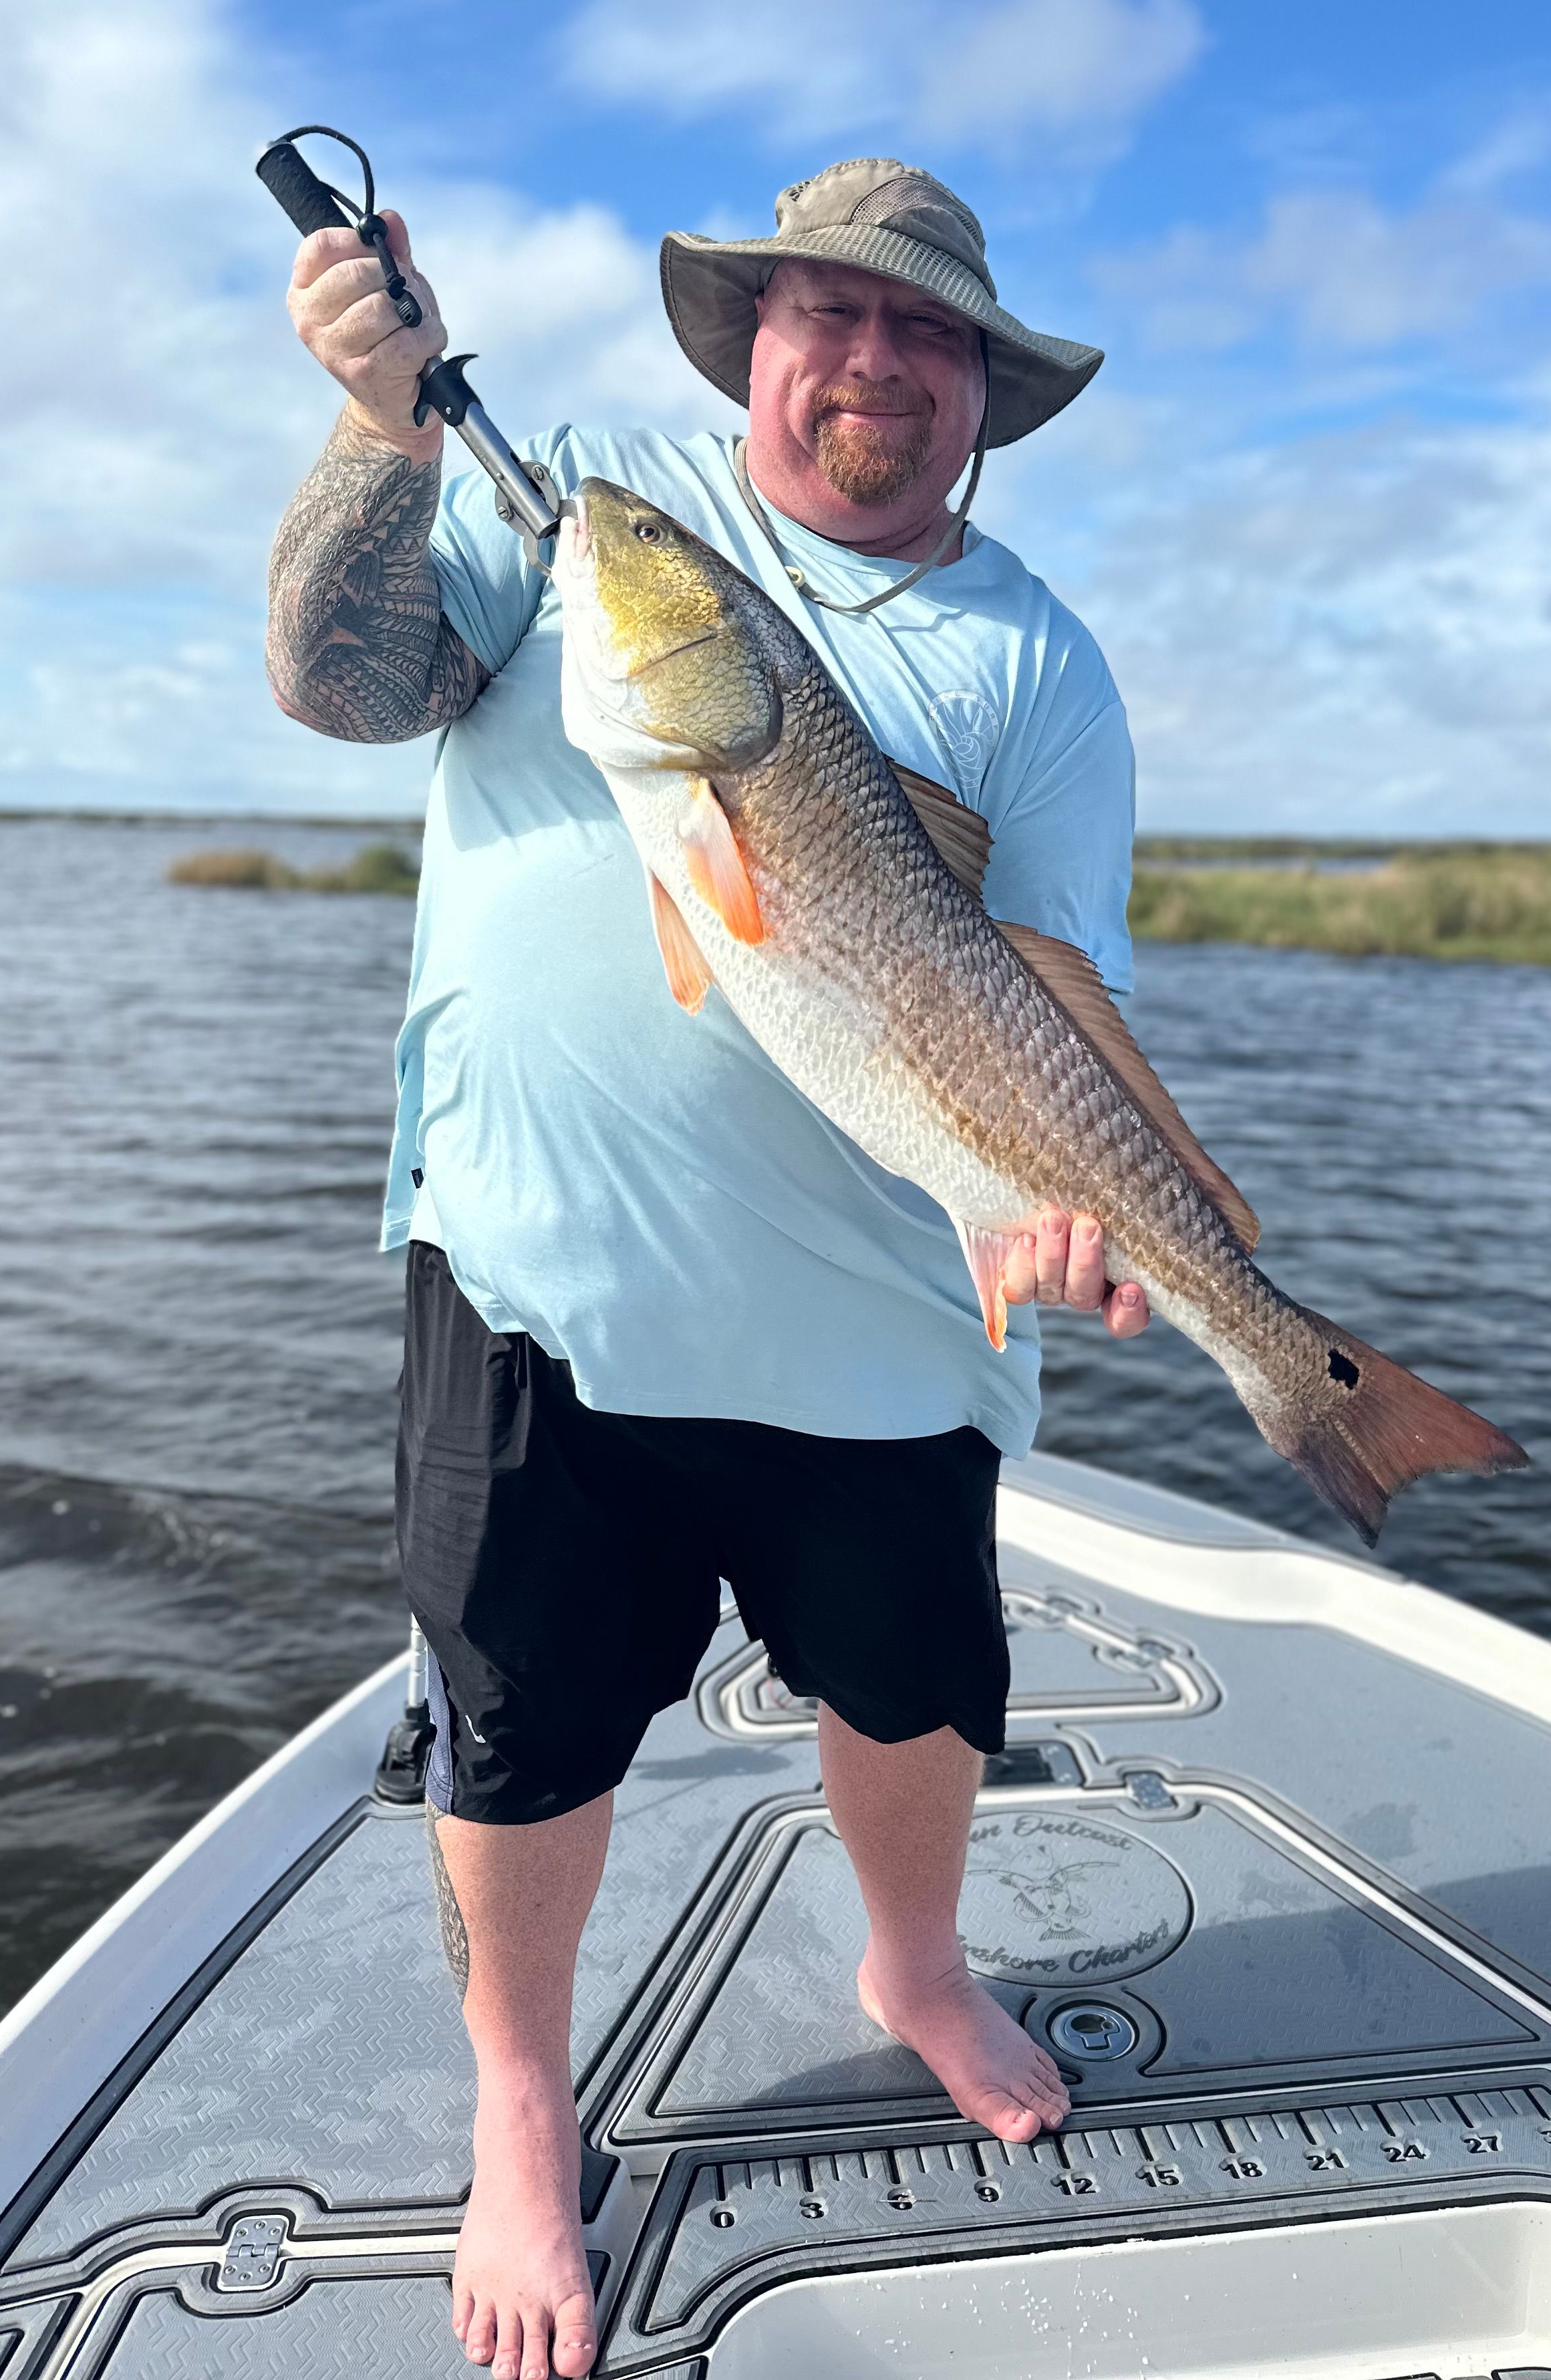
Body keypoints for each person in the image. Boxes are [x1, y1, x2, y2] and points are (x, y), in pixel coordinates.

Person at [267, 159, 1145, 2380]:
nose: (877, 359)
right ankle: (524, 2104)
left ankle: (918, 1969)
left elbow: (1049, 972)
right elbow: (343, 685)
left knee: (922, 1697)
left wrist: (1108, 1207)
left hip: (882, 1310)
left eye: (931, 333)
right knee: (529, 1734)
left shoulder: (1034, 653)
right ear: (746, 341)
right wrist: (380, 438)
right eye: (831, 315)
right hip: (546, 1274)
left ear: (984, 392)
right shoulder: (594, 521)